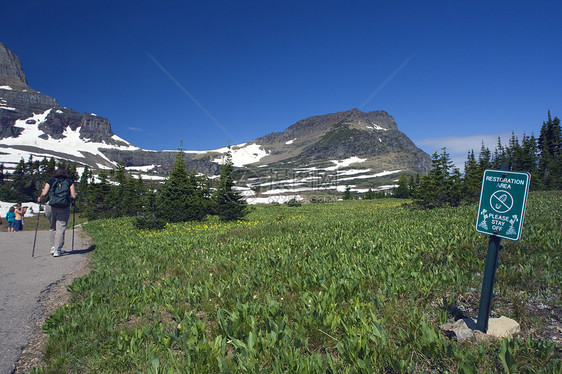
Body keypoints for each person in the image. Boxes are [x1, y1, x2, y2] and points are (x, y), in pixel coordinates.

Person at [38, 167, 77, 257]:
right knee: (61, 228)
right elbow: (73, 195)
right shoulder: (69, 182)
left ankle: (52, 246)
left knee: (52, 227)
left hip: (51, 205)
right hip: (64, 206)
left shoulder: (50, 181)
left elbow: (44, 193)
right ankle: (57, 249)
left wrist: (40, 198)